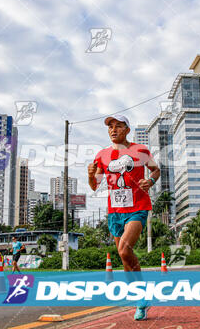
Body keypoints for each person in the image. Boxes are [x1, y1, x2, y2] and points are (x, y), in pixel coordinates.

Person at [88, 114, 160, 321]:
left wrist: (151, 182)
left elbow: (156, 170)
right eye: (110, 127)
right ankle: (141, 299)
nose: (113, 130)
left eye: (118, 126)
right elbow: (94, 185)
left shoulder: (141, 150)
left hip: (137, 207)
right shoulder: (102, 155)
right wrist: (90, 174)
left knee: (124, 249)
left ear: (127, 130)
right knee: (124, 258)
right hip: (115, 212)